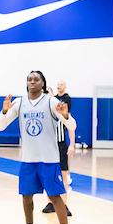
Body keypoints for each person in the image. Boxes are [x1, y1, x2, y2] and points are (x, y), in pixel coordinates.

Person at [0, 71, 75, 224]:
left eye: (36, 79)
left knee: (55, 197)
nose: (32, 82)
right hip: (28, 159)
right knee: (26, 196)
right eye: (29, 79)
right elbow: (1, 126)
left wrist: (66, 116)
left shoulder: (51, 102)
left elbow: (72, 126)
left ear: (42, 84)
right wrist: (5, 111)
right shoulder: (20, 102)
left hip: (49, 159)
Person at [42, 80, 73, 216]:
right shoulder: (42, 112)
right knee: (48, 175)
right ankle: (50, 202)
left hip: (60, 144)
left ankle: (64, 204)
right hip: (47, 145)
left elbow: (71, 127)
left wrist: (72, 145)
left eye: (48, 92)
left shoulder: (61, 110)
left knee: (63, 174)